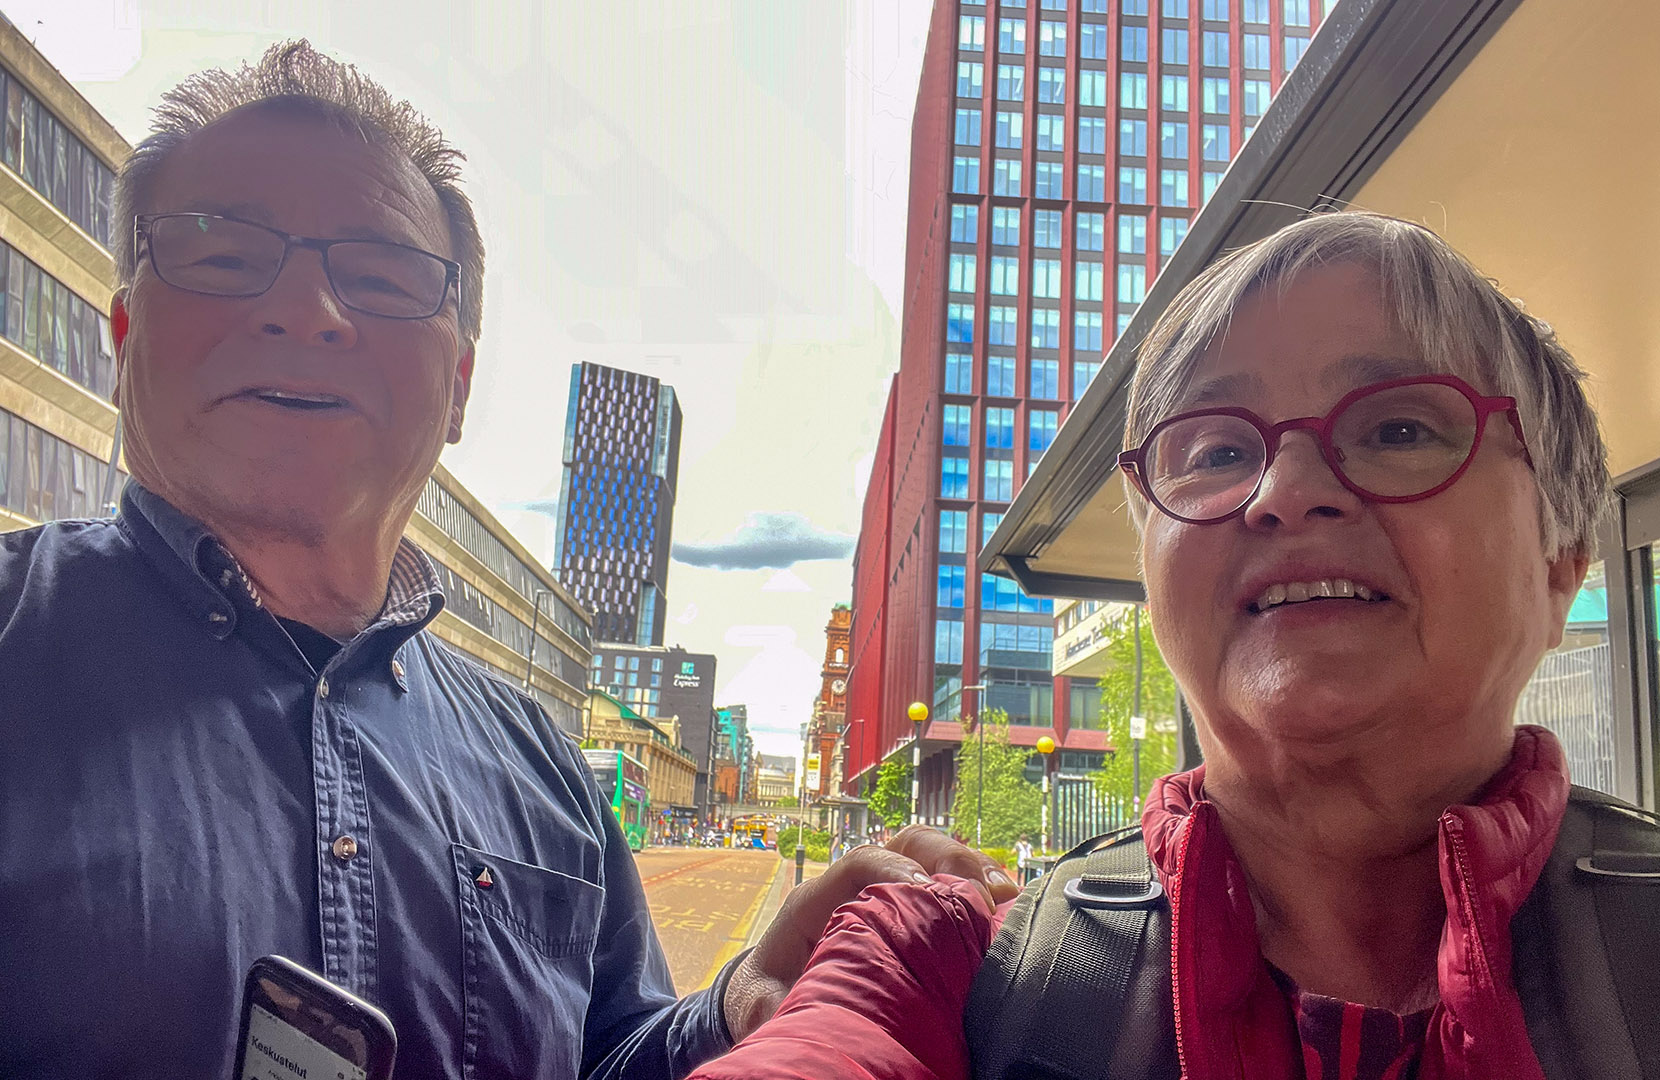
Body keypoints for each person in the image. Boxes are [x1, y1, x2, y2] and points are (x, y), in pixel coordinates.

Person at [0, 41, 1016, 1080]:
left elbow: (605, 1053)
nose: (306, 310)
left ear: (458, 387)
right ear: (124, 334)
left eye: (381, 277)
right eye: (222, 257)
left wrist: (741, 1003)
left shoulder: (542, 762)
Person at [683, 211, 1660, 1080]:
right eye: (1218, 451)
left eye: (1398, 429)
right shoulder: (947, 959)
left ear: (1560, 564)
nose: (1284, 490)